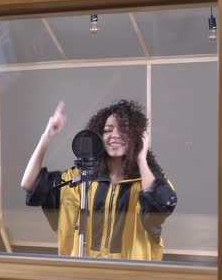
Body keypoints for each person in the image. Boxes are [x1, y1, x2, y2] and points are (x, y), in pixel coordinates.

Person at [21, 100, 177, 260]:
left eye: (123, 130)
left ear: (136, 136)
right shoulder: (80, 179)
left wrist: (141, 159)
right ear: (98, 137)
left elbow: (161, 204)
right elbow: (29, 183)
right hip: (84, 274)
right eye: (108, 130)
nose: (115, 135)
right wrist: (47, 135)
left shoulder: (146, 181)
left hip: (132, 277)